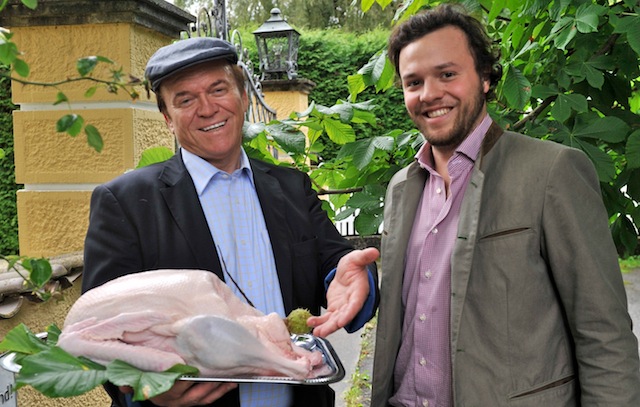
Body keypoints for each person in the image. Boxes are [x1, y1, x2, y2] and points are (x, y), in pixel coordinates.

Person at [82, 36, 380, 407]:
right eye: (185, 99)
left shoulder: (290, 187)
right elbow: (99, 331)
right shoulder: (125, 203)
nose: (207, 109)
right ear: (166, 117)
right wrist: (147, 389)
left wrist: (348, 278)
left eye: (218, 89)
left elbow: (334, 264)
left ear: (242, 95)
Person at [371, 3, 640, 407]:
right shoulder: (400, 188)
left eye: (447, 74)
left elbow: (604, 336)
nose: (429, 94)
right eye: (413, 82)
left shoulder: (552, 172)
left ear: (483, 77)